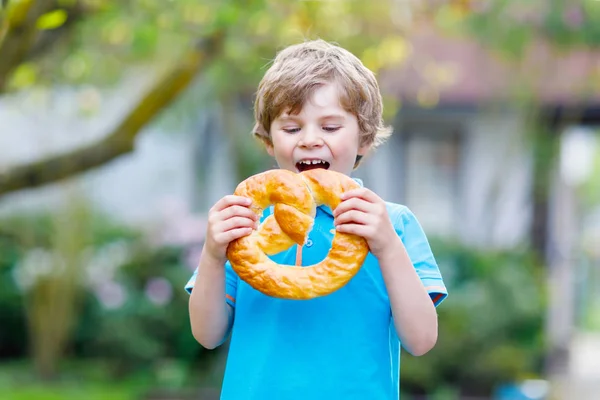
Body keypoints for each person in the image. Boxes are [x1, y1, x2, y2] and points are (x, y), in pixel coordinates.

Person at [185, 39, 448, 400]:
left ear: (364, 140)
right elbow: (207, 334)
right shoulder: (247, 223)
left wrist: (387, 247)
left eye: (330, 127)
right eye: (291, 128)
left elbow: (421, 340)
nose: (309, 140)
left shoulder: (392, 224)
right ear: (268, 140)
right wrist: (214, 255)